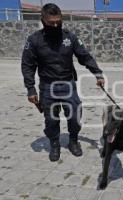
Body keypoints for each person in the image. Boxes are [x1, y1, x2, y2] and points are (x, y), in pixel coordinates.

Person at [21, 3, 105, 162]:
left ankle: (73, 140)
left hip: (68, 84)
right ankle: (54, 143)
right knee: (51, 118)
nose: (55, 25)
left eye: (58, 22)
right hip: (47, 87)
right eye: (51, 22)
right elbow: (27, 65)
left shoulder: (69, 37)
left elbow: (84, 56)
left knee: (75, 115)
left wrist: (97, 73)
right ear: (43, 20)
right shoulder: (34, 40)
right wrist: (30, 89)